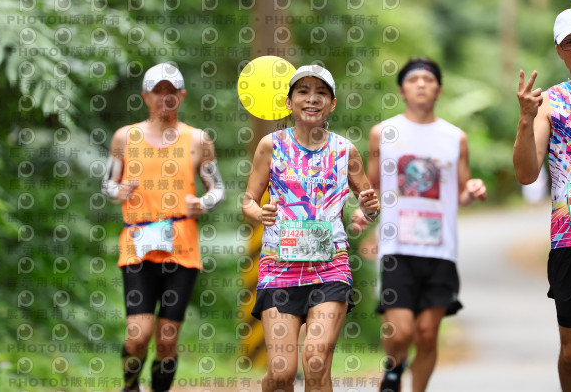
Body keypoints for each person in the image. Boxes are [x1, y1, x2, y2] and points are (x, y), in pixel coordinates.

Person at [242, 64, 380, 392]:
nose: (312, 99)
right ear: (289, 102)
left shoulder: (345, 150)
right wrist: (260, 213)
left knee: (316, 362)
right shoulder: (271, 145)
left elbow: (369, 205)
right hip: (279, 267)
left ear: (332, 104)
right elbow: (248, 201)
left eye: (321, 93)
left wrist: (369, 208)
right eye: (303, 91)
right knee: (281, 372)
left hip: (330, 269)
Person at [353, 57, 487, 392]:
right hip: (397, 246)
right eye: (414, 80)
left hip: (441, 249)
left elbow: (461, 193)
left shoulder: (455, 138)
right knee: (401, 332)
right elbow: (373, 188)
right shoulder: (382, 133)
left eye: (429, 80)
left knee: (427, 334)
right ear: (402, 90)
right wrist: (364, 215)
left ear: (439, 89)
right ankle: (394, 368)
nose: (422, 85)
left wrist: (473, 190)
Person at [102, 62, 225, 392]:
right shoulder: (125, 137)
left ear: (182, 95)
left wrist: (204, 203)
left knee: (167, 339)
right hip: (138, 244)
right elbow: (107, 184)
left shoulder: (198, 139)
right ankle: (130, 387)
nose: (165, 98)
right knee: (137, 335)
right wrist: (118, 191)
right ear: (145, 96)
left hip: (181, 248)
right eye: (158, 91)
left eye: (171, 91)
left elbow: (217, 188)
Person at [513, 7, 571, 391]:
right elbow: (526, 173)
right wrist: (525, 118)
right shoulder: (548, 104)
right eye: (570, 42)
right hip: (570, 240)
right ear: (559, 51)